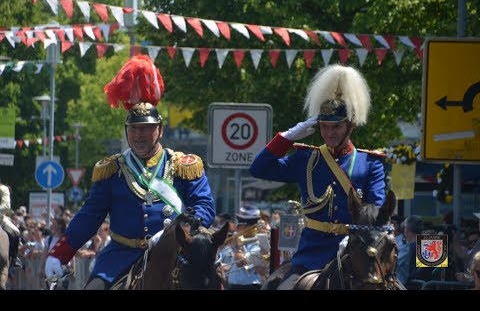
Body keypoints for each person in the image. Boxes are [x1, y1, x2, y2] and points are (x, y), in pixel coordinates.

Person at [44, 55, 216, 289]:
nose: (139, 135)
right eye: (134, 129)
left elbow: (205, 207)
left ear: (160, 130)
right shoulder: (111, 170)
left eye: (146, 129)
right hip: (120, 256)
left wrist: (177, 231)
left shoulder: (184, 166)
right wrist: (60, 253)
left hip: (176, 255)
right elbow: (89, 216)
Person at [249, 64, 387, 289]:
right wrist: (288, 137)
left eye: (336, 127)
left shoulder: (370, 163)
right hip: (311, 255)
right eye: (324, 127)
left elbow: (376, 209)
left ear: (350, 126)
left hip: (357, 253)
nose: (330, 133)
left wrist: (354, 234)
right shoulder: (306, 159)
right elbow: (259, 169)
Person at [0, 179, 22, 269]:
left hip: (0, 218)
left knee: (15, 232)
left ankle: (14, 258)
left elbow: (6, 206)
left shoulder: (3, 189)